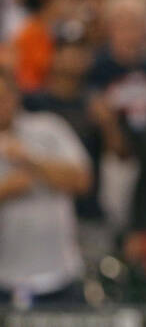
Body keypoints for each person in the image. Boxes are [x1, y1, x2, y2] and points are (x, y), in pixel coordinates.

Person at [0, 72, 91, 307]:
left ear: (16, 96)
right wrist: (5, 189)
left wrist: (31, 160)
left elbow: (82, 180)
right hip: (5, 277)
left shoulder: (47, 128)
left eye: (4, 97)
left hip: (58, 274)